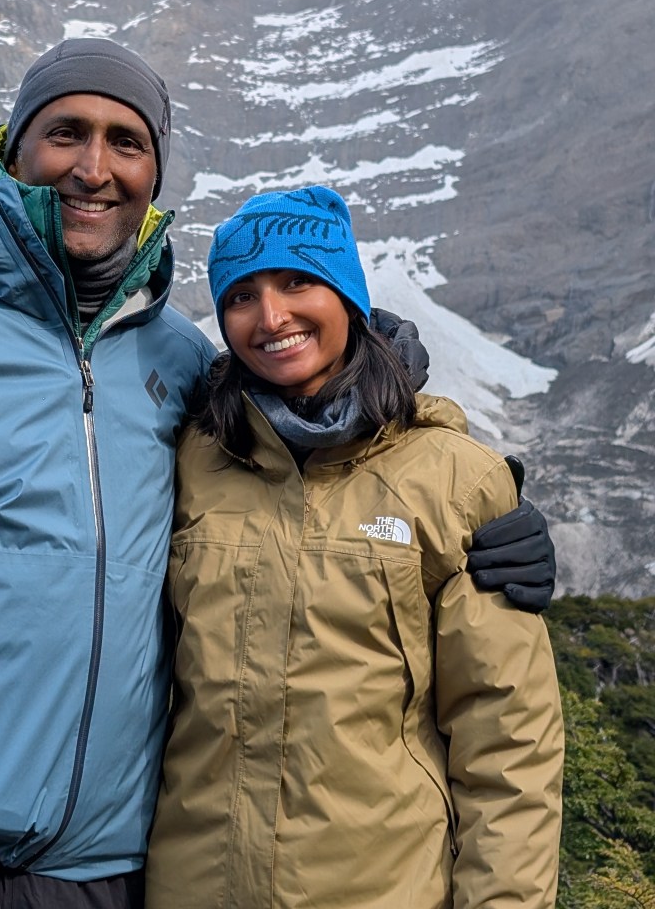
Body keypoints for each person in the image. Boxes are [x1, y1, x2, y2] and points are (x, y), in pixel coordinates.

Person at [0, 40, 556, 909]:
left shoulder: (177, 363)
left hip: (105, 881)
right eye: (65, 132)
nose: (94, 167)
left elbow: (313, 451)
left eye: (127, 140)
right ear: (12, 148)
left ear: (155, 172)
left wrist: (486, 505)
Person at [145, 184, 564, 909]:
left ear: (347, 296)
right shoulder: (191, 462)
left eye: (298, 281)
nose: (271, 316)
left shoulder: (454, 480)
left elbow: (509, 746)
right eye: (241, 295)